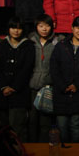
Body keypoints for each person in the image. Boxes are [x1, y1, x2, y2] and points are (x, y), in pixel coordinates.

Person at [49, 16, 79, 143]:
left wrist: (77, 85)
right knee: (62, 126)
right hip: (61, 93)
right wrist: (62, 85)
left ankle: (77, 153)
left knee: (76, 126)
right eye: (78, 27)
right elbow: (54, 68)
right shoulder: (61, 45)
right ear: (72, 28)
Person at [0, 17, 35, 142]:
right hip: (1, 93)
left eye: (19, 28)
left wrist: (14, 87)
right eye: (13, 28)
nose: (16, 31)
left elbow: (27, 69)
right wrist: (3, 86)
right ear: (8, 29)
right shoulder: (1, 45)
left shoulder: (28, 46)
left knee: (18, 129)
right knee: (1, 130)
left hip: (19, 93)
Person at [28, 14, 58, 142]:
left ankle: (45, 148)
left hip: (48, 86)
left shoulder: (57, 42)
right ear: (36, 27)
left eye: (47, 26)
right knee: (32, 120)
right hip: (33, 85)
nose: (44, 29)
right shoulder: (30, 41)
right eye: (41, 26)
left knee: (46, 122)